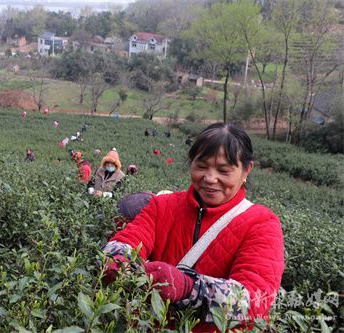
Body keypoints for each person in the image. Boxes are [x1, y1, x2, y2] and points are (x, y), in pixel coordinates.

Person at [101, 123, 284, 332]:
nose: (210, 178)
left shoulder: (261, 224)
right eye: (201, 166)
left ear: (246, 170)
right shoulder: (163, 206)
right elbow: (126, 241)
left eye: (224, 170)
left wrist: (189, 288)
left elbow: (255, 301)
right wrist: (118, 262)